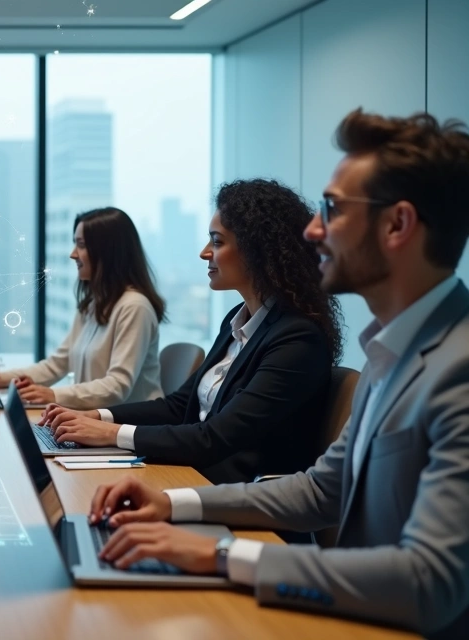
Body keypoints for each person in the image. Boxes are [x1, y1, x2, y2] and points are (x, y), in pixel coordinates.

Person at [81, 109, 469, 638]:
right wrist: (171, 503)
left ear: (397, 225)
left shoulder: (457, 371)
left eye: (332, 209)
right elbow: (320, 491)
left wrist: (223, 555)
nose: (312, 230)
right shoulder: (393, 352)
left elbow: (429, 583)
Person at [41, 179, 344, 484]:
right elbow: (178, 406)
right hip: (194, 473)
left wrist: (111, 433)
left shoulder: (297, 340)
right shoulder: (237, 320)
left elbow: (214, 438)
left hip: (231, 491)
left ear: (258, 249)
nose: (204, 253)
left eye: (217, 242)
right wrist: (97, 416)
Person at [0, 207, 165, 408]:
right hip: (93, 419)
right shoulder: (93, 305)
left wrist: (52, 394)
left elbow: (117, 387)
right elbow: (56, 365)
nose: (73, 254)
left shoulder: (135, 307)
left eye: (81, 245)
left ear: (108, 252)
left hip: (129, 424)